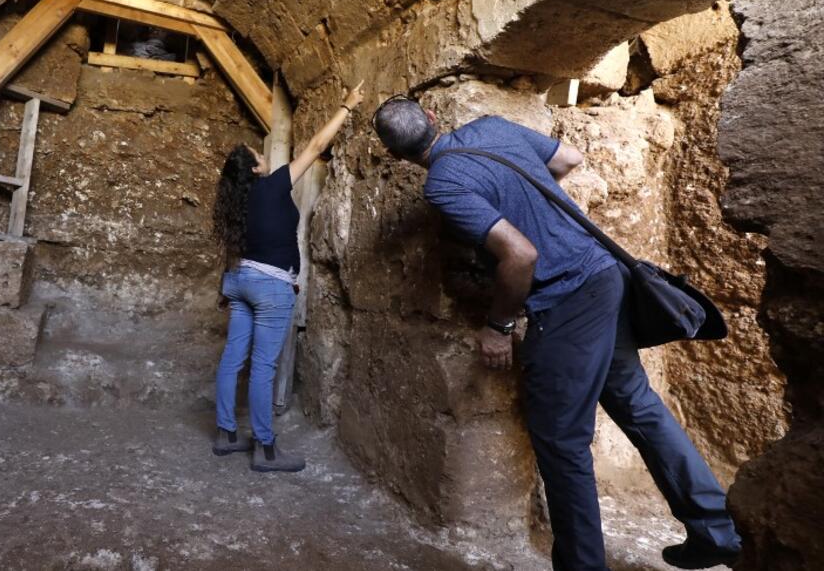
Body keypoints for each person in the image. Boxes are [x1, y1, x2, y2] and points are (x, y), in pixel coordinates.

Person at [371, 96, 742, 570]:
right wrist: (538, 213)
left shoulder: (443, 183)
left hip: (567, 300)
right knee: (639, 406)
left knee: (562, 441)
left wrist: (498, 327)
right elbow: (569, 157)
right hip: (607, 279)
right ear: (432, 117)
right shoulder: (491, 127)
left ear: (394, 155)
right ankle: (717, 529)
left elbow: (520, 257)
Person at [210, 81, 365, 473]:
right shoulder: (273, 185)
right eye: (255, 154)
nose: (261, 154)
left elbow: (232, 251)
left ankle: (227, 434)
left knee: (232, 359)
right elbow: (314, 147)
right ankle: (265, 448)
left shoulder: (237, 205)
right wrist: (346, 106)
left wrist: (225, 288)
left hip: (241, 281)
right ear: (254, 169)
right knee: (263, 367)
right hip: (269, 288)